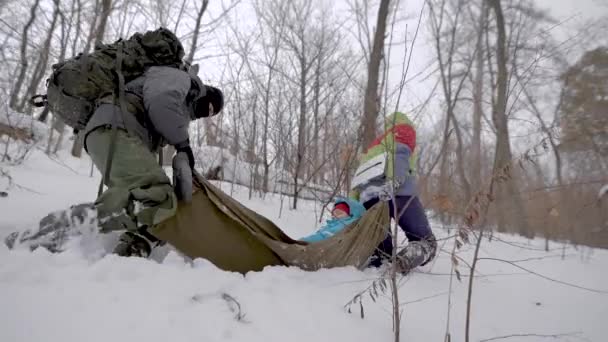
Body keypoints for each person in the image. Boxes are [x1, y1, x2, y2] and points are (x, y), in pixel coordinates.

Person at [83, 65, 224, 258]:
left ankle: (132, 250)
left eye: (210, 114)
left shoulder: (181, 112)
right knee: (157, 196)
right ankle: (71, 226)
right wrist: (183, 145)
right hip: (115, 127)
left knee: (160, 202)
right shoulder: (181, 80)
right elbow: (160, 103)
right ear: (204, 93)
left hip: (113, 132)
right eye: (208, 107)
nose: (206, 113)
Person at [350, 112, 436, 273]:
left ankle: (380, 261)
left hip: (369, 197)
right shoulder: (403, 129)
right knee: (427, 242)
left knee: (381, 245)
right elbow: (400, 155)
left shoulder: (372, 148)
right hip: (399, 192)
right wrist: (394, 182)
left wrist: (353, 205)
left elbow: (356, 183)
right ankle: (405, 260)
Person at [300, 197, 366, 243]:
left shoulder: (347, 224)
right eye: (334, 214)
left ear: (350, 214)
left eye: (339, 213)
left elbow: (325, 236)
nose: (335, 216)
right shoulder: (333, 224)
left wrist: (303, 241)